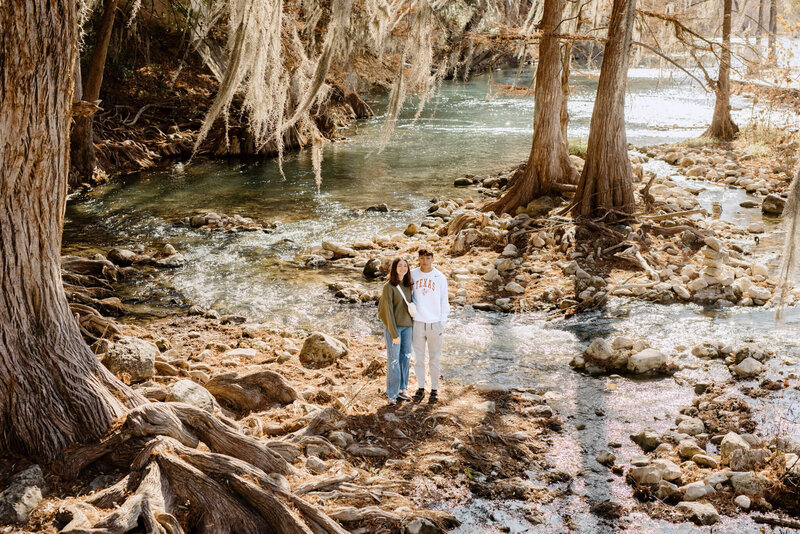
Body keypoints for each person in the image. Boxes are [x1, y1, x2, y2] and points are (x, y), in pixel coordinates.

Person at [410, 249, 449, 404]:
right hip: (418, 323)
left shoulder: (440, 277)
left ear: (433, 258)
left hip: (435, 324)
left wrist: (442, 323)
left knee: (434, 358)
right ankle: (420, 388)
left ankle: (434, 389)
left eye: (428, 257)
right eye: (422, 258)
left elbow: (444, 302)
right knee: (418, 358)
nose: (425, 261)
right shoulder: (412, 274)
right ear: (418, 259)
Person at [377, 258, 414, 405]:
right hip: (395, 328)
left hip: (408, 327)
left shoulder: (408, 285)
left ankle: (402, 389)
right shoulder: (389, 287)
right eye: (400, 266)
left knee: (405, 358)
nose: (403, 268)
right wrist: (393, 333)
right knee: (394, 361)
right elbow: (386, 311)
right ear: (394, 268)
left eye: (405, 265)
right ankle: (392, 394)